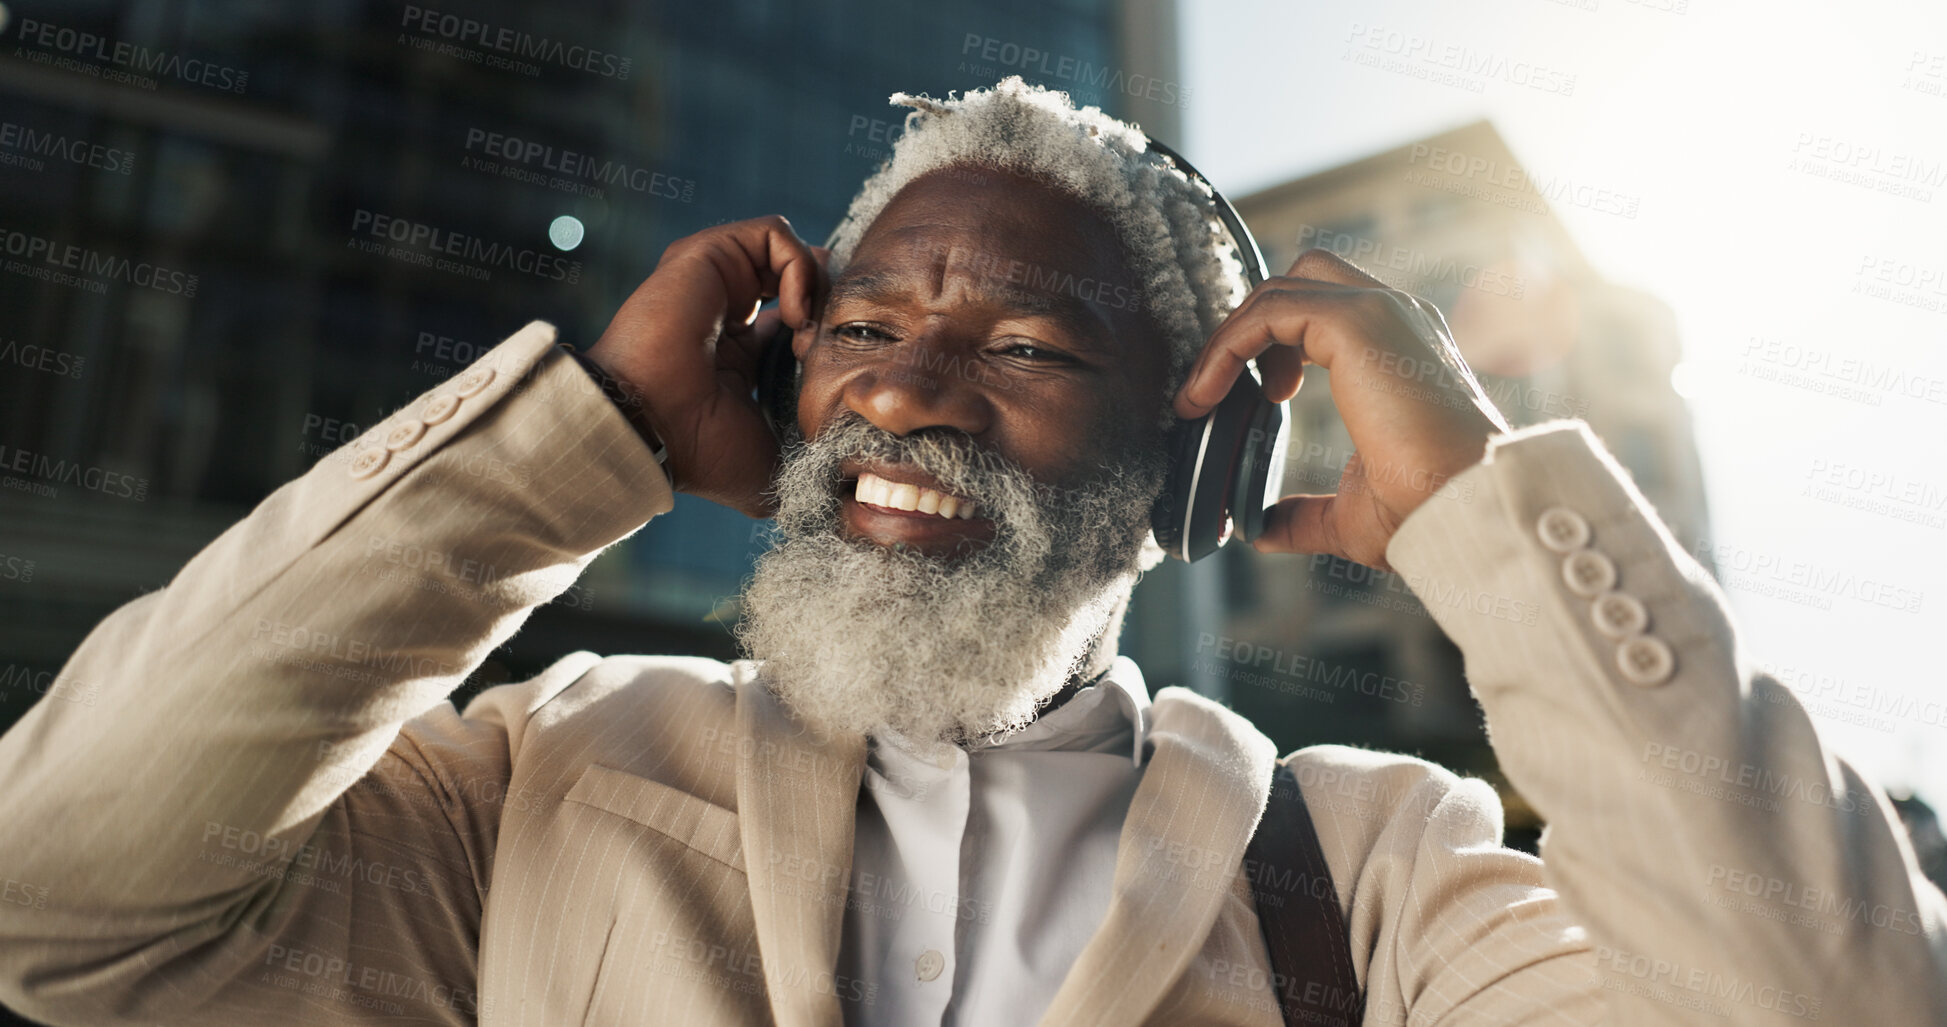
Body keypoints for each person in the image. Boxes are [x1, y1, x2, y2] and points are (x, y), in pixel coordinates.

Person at [0, 77, 1940, 1027]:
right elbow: (51, 900)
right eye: (862, 329)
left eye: (1022, 344)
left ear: (1193, 452)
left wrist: (1483, 513)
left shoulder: (1369, 870)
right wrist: (558, 453)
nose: (906, 395)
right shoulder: (537, 776)